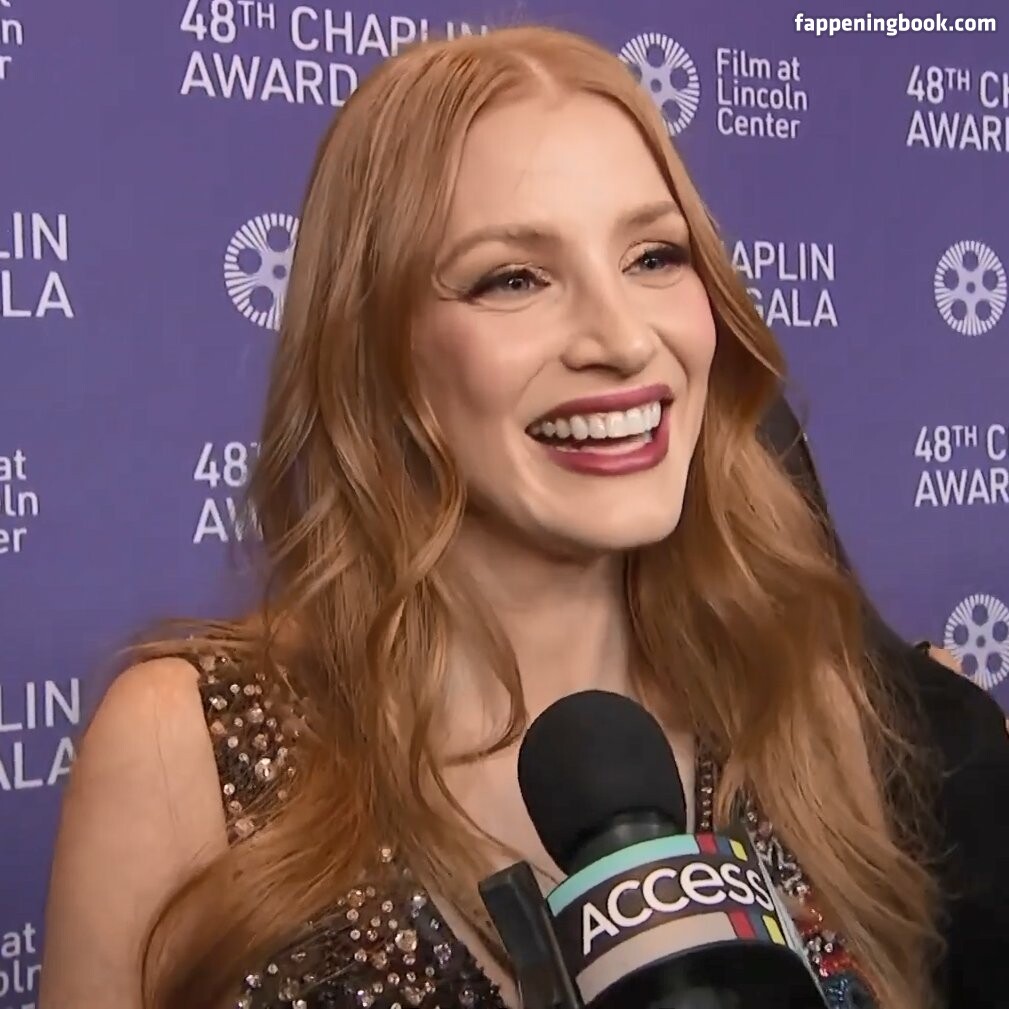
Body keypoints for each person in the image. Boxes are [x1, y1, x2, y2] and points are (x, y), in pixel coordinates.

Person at [39, 24, 1009, 1009]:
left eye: (654, 257)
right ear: (374, 348)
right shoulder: (188, 748)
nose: (623, 339)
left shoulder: (803, 697)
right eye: (514, 277)